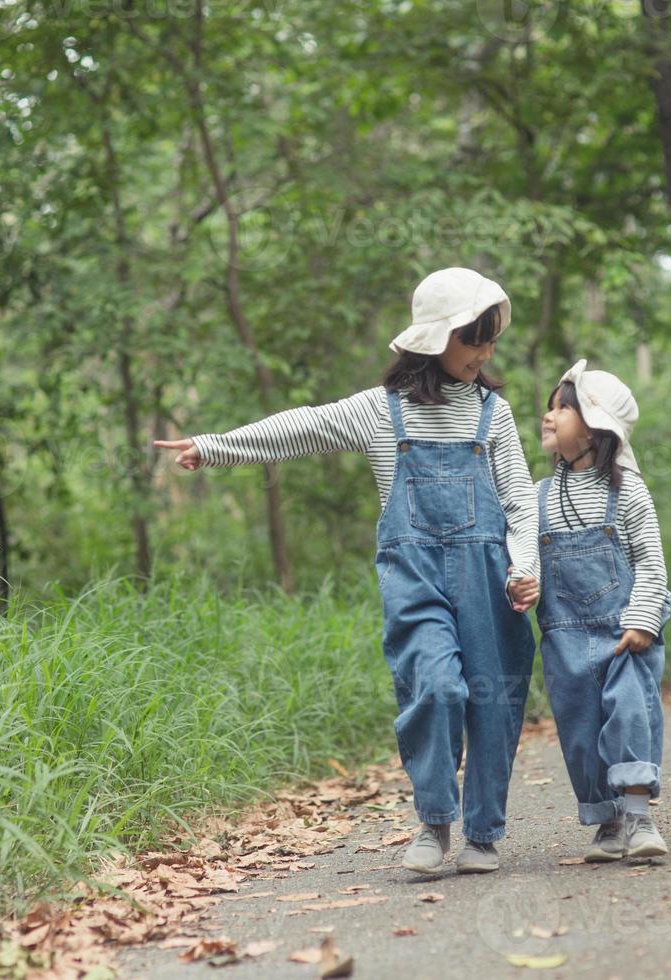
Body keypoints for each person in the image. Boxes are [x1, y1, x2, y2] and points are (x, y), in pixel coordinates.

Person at [154, 267, 541, 876]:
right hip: (416, 579)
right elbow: (303, 426)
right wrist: (214, 446)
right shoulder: (378, 412)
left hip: (490, 579)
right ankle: (434, 825)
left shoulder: (495, 412)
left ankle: (483, 834)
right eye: (477, 338)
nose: (488, 352)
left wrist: (525, 566)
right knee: (435, 688)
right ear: (438, 339)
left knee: (493, 700)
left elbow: (519, 498)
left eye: (491, 339)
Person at [534, 359, 671, 861]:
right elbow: (527, 560)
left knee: (631, 712)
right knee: (580, 727)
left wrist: (642, 621)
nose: (549, 416)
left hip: (623, 629)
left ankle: (638, 814)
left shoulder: (627, 490)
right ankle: (606, 821)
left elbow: (651, 563)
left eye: (563, 408)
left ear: (597, 428)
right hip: (564, 636)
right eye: (551, 406)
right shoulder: (540, 497)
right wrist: (519, 582)